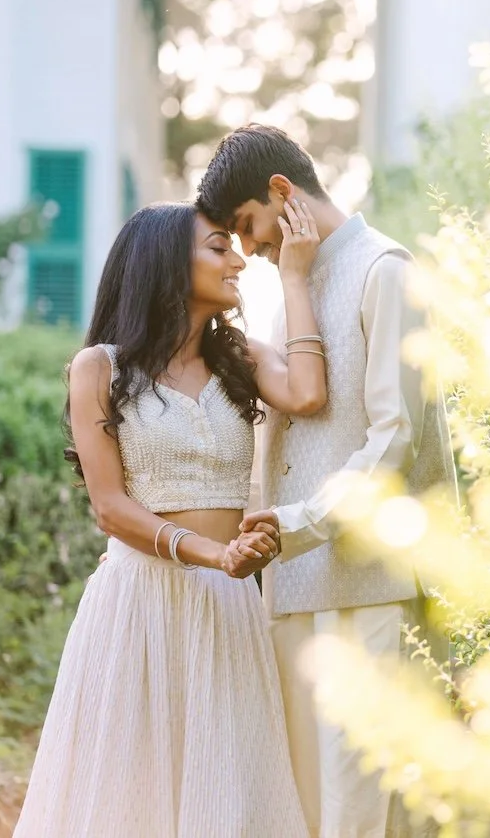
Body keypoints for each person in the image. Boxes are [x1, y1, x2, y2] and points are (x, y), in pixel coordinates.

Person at [14, 200, 328, 837]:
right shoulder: (98, 368)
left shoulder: (237, 356)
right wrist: (216, 556)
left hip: (228, 611)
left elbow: (307, 392)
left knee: (229, 797)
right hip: (138, 608)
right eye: (219, 246)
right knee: (129, 804)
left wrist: (294, 276)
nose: (238, 259)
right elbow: (110, 506)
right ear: (165, 262)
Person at [196, 124, 458, 838]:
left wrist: (298, 525)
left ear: (283, 192)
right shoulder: (294, 289)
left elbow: (394, 437)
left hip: (369, 591)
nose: (249, 251)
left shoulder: (387, 271)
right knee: (305, 816)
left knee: (366, 817)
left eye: (248, 229)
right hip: (294, 596)